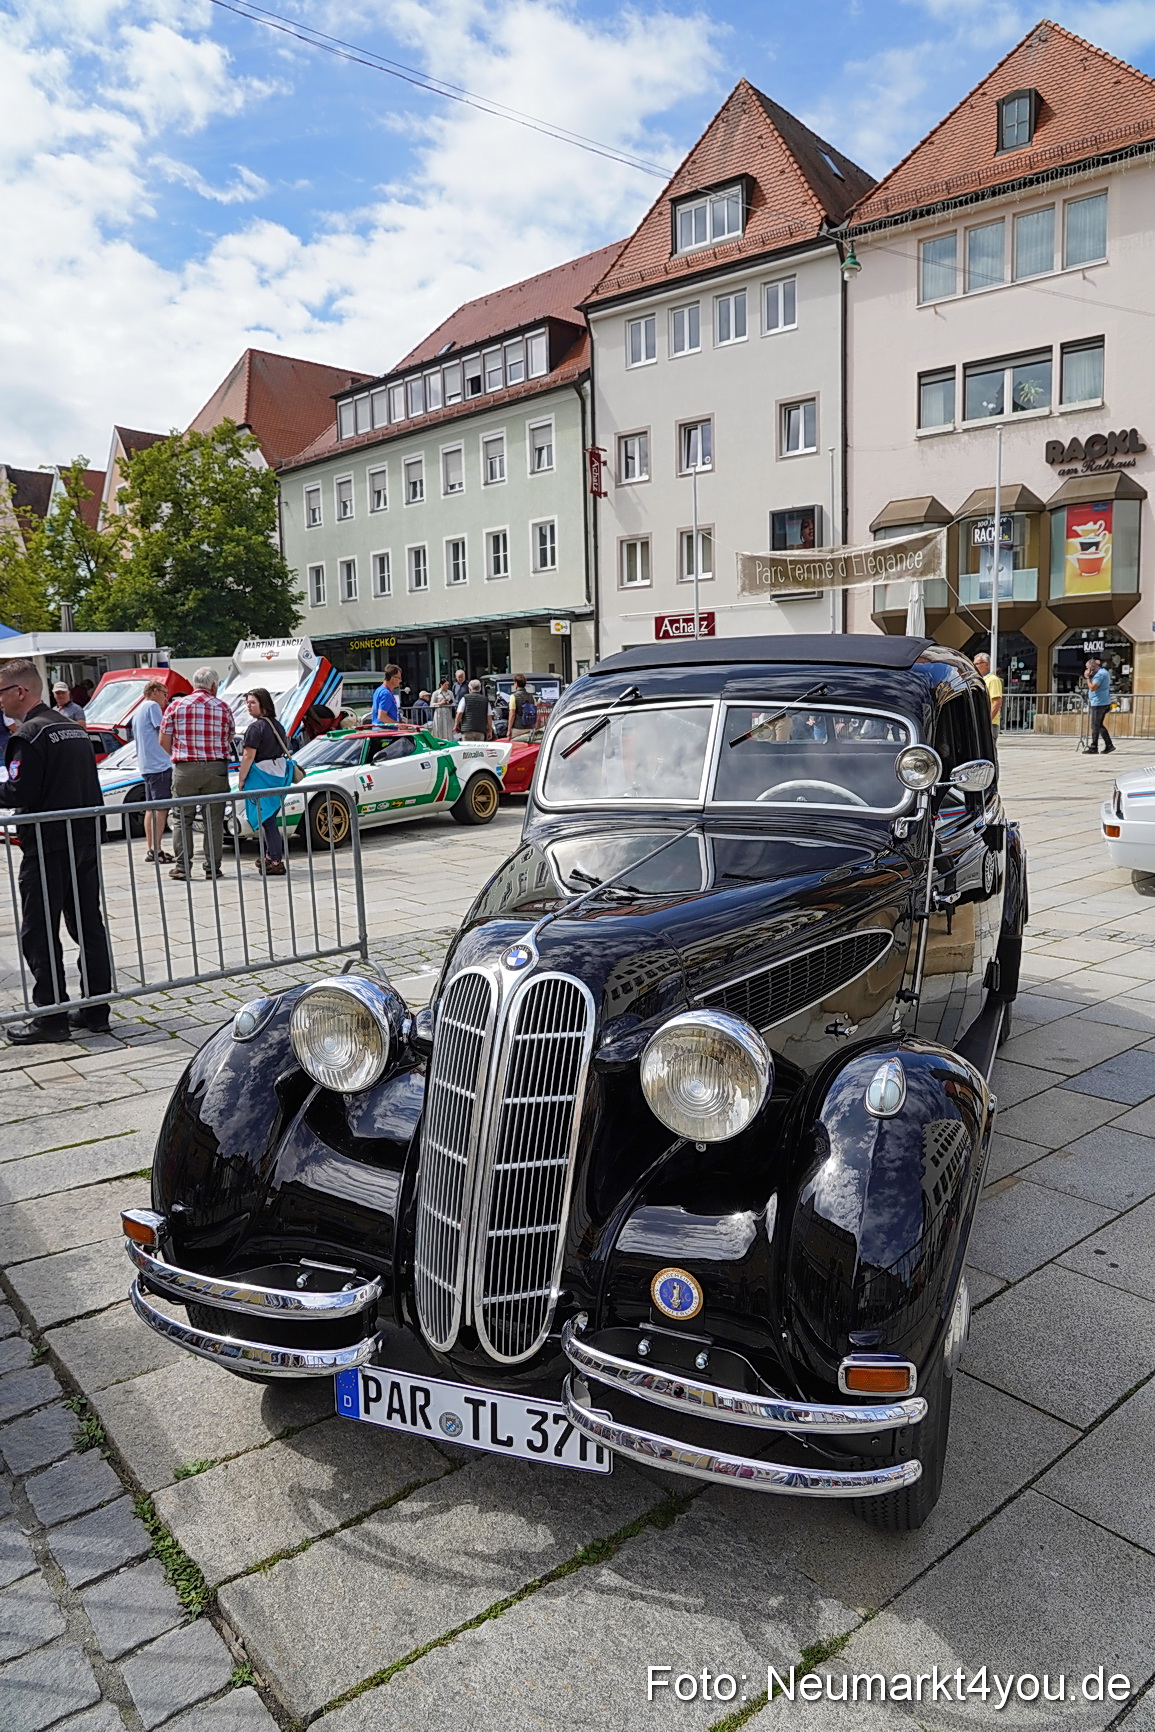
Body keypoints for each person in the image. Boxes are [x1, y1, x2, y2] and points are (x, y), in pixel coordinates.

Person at [0, 658, 113, 1043]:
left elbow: (20, 791)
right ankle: (96, 1010)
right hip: (82, 840)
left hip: (48, 844)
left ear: (20, 691)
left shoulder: (29, 734)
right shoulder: (72, 729)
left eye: (1, 693)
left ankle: (50, 1016)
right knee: (87, 924)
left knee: (39, 930)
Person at [160, 667, 234, 881]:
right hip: (216, 768)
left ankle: (182, 867)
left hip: (185, 768)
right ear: (214, 686)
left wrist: (181, 755)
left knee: (182, 818)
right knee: (214, 820)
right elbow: (229, 737)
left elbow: (163, 741)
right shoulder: (223, 707)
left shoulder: (176, 706)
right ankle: (213, 868)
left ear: (195, 684)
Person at [237, 689, 293, 875]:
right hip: (278, 776)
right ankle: (269, 856)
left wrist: (242, 779)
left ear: (264, 704)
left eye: (252, 702)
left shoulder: (256, 728)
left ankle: (276, 860)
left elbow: (248, 755)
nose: (248, 706)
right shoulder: (278, 725)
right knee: (270, 818)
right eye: (247, 702)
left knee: (268, 821)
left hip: (262, 778)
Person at [133, 679, 174, 864]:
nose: (166, 699)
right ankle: (157, 850)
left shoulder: (139, 709)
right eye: (165, 694)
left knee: (150, 808)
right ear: (155, 691)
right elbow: (163, 731)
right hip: (160, 765)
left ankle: (151, 848)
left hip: (147, 765)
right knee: (161, 808)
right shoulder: (152, 706)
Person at [1085, 656, 1115, 754]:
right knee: (1099, 725)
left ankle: (1094, 747)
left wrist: (1087, 678)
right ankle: (1109, 745)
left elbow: (1092, 687)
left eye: (1088, 668)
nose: (1087, 670)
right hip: (1103, 701)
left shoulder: (1099, 675)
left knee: (1095, 725)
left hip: (1099, 703)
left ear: (1092, 667)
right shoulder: (1103, 672)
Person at [973, 652, 1003, 732]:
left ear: (986, 664)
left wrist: (987, 721)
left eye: (977, 664)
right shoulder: (979, 680)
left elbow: (997, 702)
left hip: (989, 723)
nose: (974, 667)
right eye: (974, 664)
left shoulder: (992, 680)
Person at [509, 675, 538, 742]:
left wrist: (509, 729)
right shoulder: (532, 697)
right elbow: (535, 713)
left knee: (517, 747)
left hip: (517, 729)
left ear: (516, 684)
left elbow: (512, 714)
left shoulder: (513, 696)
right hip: (530, 728)